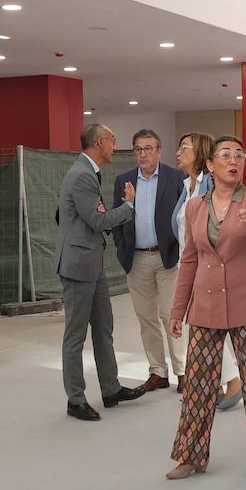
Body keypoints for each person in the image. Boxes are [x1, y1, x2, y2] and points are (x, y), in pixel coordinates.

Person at [167, 135, 246, 480]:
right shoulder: (195, 206)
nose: (234, 160)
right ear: (210, 165)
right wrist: (179, 310)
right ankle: (190, 456)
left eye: (239, 155)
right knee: (197, 384)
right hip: (205, 304)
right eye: (226, 155)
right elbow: (189, 260)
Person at [55, 124, 147, 420]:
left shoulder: (87, 172)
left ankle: (110, 388)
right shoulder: (82, 175)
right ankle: (76, 400)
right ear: (99, 142)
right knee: (76, 336)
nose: (114, 145)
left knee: (104, 327)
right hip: (78, 266)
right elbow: (97, 220)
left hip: (91, 264)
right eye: (112, 140)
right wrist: (129, 207)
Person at [112, 130, 186, 393]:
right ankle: (158, 372)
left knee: (171, 316)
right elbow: (118, 219)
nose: (142, 154)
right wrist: (122, 247)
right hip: (137, 259)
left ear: (158, 151)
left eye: (148, 148)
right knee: (146, 319)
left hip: (167, 258)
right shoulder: (123, 180)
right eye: (138, 149)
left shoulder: (176, 177)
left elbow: (184, 217)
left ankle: (183, 371)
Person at [173, 132, 241, 408]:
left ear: (199, 152)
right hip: (187, 263)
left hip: (208, 267)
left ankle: (231, 379)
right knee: (202, 326)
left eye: (184, 148)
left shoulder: (209, 186)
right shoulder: (187, 185)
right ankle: (212, 384)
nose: (177, 152)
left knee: (208, 325)